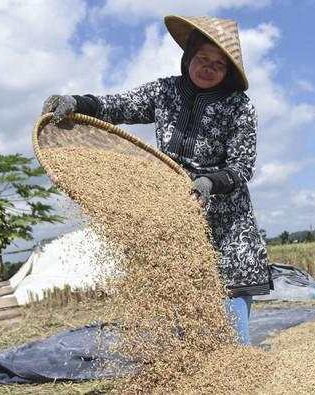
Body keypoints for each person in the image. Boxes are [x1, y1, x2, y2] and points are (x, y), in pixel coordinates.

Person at [41, 15, 271, 345]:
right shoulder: (165, 92)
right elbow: (117, 105)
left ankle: (237, 362)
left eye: (218, 65)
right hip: (174, 208)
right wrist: (78, 103)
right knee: (181, 292)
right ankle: (193, 365)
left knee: (230, 289)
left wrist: (208, 183)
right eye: (202, 59)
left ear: (229, 73)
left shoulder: (239, 107)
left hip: (225, 217)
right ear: (188, 57)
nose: (207, 68)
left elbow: (242, 167)